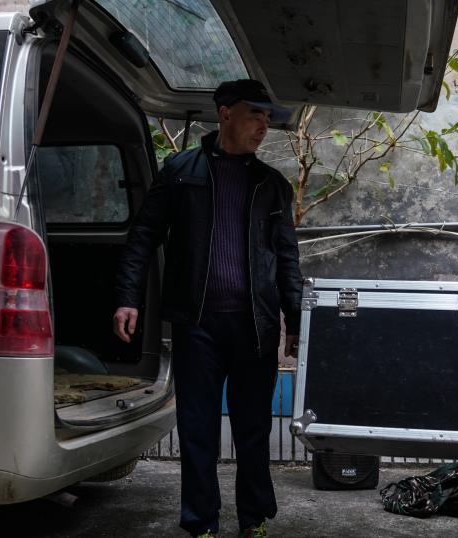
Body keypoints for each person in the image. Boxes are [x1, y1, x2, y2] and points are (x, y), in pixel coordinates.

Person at [112, 79, 303, 538]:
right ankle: (201, 524)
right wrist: (127, 297)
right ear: (225, 113)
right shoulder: (180, 172)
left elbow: (286, 258)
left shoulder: (272, 185)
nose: (264, 125)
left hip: (255, 325)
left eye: (268, 117)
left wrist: (296, 321)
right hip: (197, 324)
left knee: (253, 428)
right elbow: (144, 236)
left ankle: (254, 519)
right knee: (197, 428)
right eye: (255, 114)